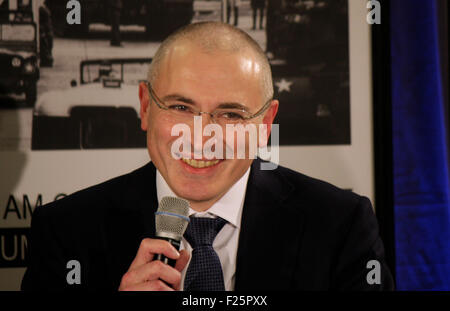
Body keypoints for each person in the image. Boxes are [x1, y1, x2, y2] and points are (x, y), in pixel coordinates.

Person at [21, 22, 394, 291]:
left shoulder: (341, 226)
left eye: (230, 114)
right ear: (145, 108)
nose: (202, 137)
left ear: (265, 124)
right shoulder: (66, 233)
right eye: (181, 106)